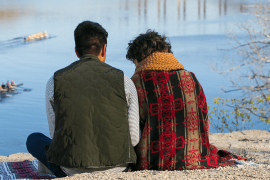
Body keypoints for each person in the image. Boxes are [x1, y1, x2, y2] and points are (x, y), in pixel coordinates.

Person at [26, 21, 140, 177]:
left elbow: (55, 135)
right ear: (104, 49)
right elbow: (133, 139)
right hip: (118, 167)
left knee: (34, 139)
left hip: (70, 169)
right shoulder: (124, 80)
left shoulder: (54, 81)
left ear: (76, 51)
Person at [126, 30, 246, 171]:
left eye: (135, 63)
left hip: (154, 161)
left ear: (141, 57)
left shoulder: (137, 82)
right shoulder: (190, 77)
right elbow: (204, 119)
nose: (135, 68)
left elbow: (131, 128)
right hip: (195, 156)